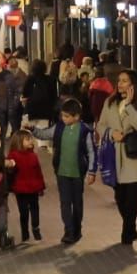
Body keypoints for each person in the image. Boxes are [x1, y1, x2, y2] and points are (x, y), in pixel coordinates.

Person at [96, 68, 137, 245]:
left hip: (133, 158)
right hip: (114, 157)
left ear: (133, 84)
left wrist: (128, 105)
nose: (120, 84)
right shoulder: (109, 102)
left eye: (124, 80)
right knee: (120, 197)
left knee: (132, 199)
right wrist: (112, 133)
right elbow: (100, 125)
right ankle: (131, 227)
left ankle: (127, 233)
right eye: (119, 80)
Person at [51, 98, 95, 245]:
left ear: (76, 116)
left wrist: (92, 171)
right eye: (62, 116)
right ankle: (68, 231)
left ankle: (77, 229)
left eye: (67, 116)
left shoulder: (84, 131)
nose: (63, 119)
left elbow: (91, 152)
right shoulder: (59, 127)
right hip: (61, 172)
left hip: (77, 173)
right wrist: (32, 130)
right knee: (64, 203)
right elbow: (45, 134)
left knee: (77, 203)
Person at [4, 130, 46, 243]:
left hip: (33, 188)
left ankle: (35, 228)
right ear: (19, 142)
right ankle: (25, 233)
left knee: (35, 209)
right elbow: (9, 168)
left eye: (31, 139)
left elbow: (38, 171)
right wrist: (9, 165)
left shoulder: (33, 155)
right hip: (20, 188)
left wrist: (41, 186)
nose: (31, 141)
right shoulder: (13, 155)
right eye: (27, 139)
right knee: (23, 212)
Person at [22, 59, 58, 131]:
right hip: (46, 112)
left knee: (31, 134)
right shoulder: (51, 79)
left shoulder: (30, 79)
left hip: (31, 111)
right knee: (43, 135)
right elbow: (54, 96)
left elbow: (25, 93)